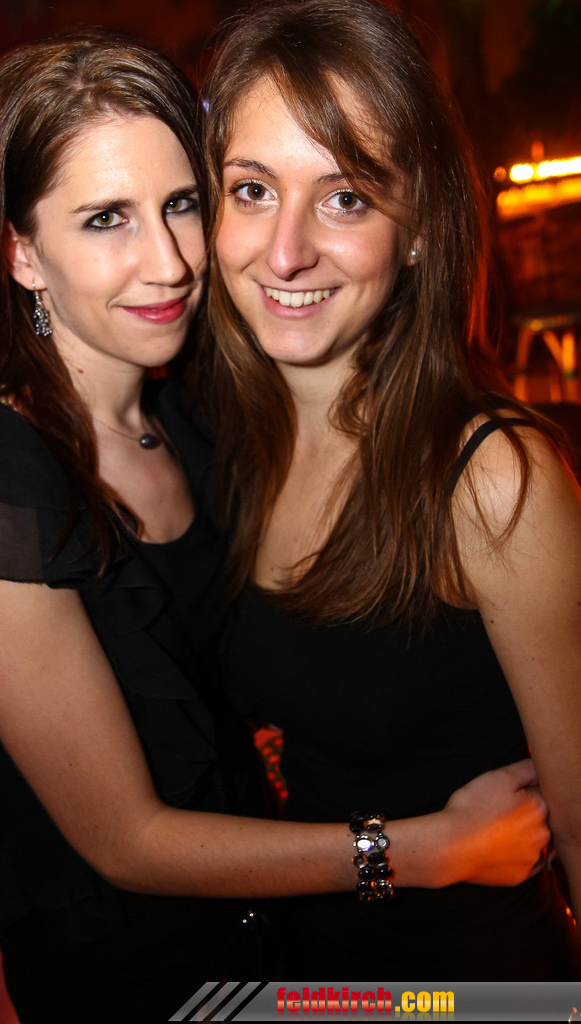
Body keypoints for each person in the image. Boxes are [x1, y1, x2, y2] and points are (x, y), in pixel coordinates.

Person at [0, 29, 553, 1022]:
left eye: (182, 205)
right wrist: (419, 849)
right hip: (141, 981)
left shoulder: (191, 421)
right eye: (106, 218)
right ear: (21, 252)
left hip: (281, 949)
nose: (168, 262)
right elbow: (123, 839)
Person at [199, 0, 581, 980]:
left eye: (345, 198)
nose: (284, 251)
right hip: (299, 975)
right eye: (251, 189)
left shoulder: (490, 477)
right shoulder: (230, 448)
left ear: (416, 230)